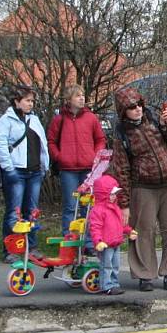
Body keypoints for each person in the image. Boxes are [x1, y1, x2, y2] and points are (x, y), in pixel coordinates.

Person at [110, 87, 167, 291]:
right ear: (122, 111)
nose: (137, 109)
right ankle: (145, 275)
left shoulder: (154, 120)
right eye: (131, 107)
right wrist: (124, 203)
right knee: (143, 231)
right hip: (143, 187)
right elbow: (121, 170)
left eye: (139, 105)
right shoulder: (122, 134)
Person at [0, 85, 49, 262]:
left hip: (34, 171)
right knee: (13, 212)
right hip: (16, 170)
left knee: (31, 212)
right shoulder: (5, 121)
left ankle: (31, 247)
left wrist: (44, 166)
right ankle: (10, 249)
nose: (30, 104)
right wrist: (8, 169)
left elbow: (43, 144)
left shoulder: (34, 119)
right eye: (27, 100)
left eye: (32, 101)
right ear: (17, 101)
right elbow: (0, 145)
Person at [47, 85, 107, 237]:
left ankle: (89, 242)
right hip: (68, 170)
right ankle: (70, 240)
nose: (82, 98)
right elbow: (51, 141)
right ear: (69, 100)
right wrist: (59, 157)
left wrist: (96, 156)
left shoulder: (91, 118)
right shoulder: (59, 119)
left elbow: (100, 139)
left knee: (88, 206)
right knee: (70, 206)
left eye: (83, 95)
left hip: (88, 169)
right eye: (78, 96)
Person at [89, 174, 137, 295]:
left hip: (116, 242)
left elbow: (120, 224)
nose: (114, 196)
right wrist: (98, 241)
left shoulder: (115, 208)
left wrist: (128, 231)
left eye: (115, 194)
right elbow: (95, 227)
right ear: (103, 194)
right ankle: (106, 285)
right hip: (106, 244)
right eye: (111, 194)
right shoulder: (98, 210)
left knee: (115, 265)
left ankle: (114, 284)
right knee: (107, 265)